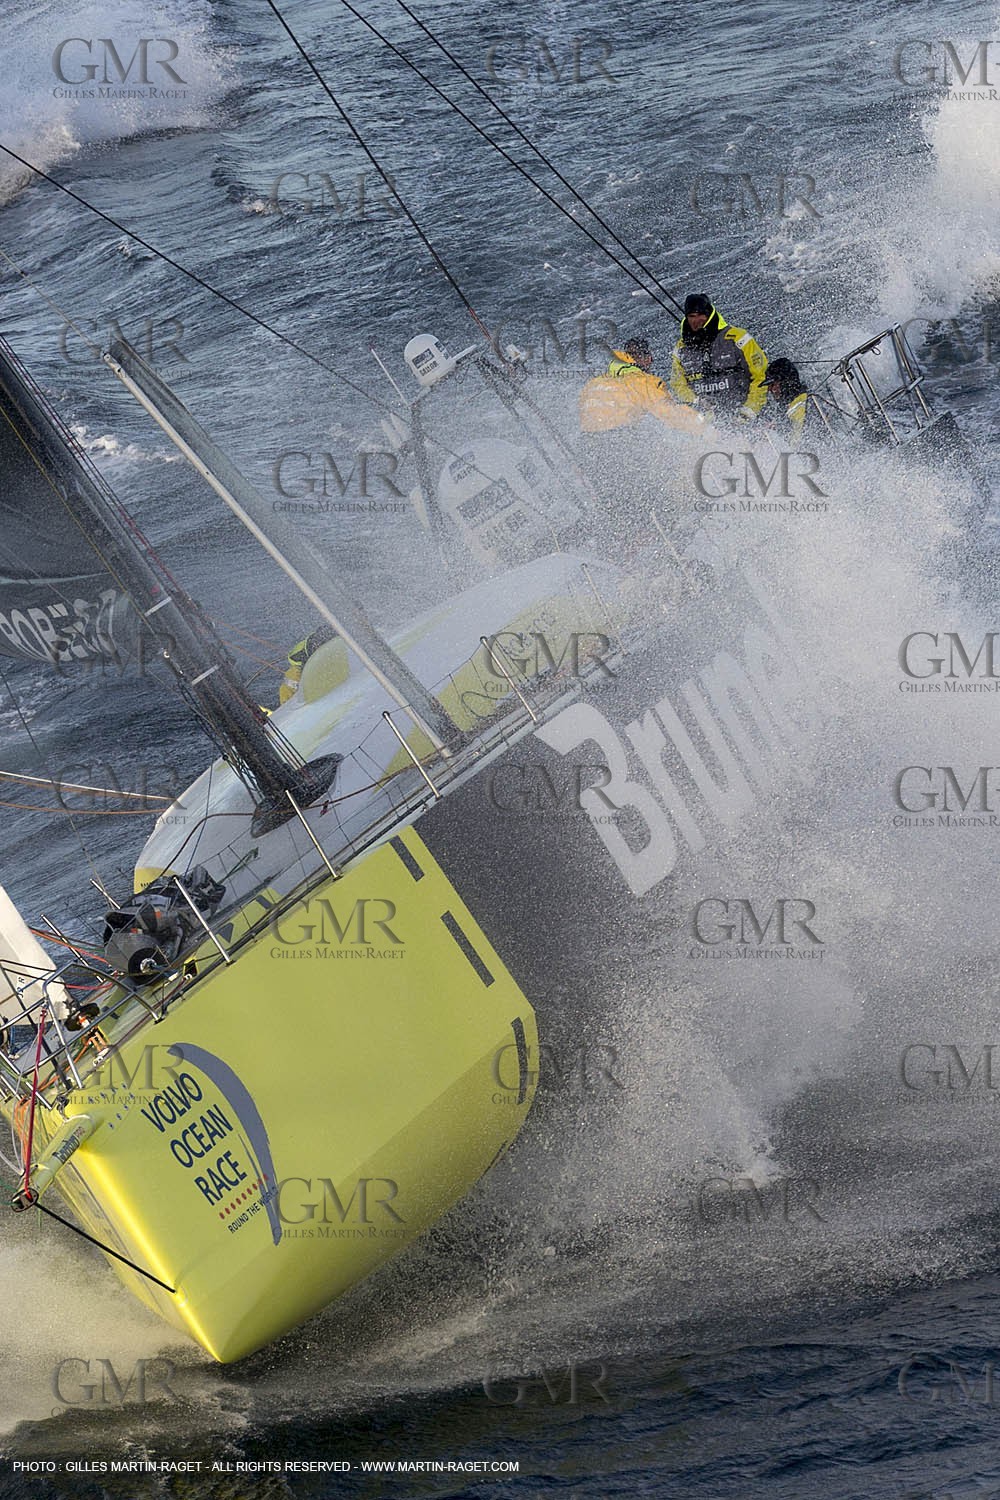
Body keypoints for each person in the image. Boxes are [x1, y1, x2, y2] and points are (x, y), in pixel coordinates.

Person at [670, 294, 768, 424]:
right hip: (707, 423)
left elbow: (761, 377)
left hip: (746, 416)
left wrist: (749, 411)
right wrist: (696, 402)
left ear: (709, 315)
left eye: (700, 315)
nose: (696, 320)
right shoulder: (681, 347)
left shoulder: (738, 338)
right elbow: (678, 384)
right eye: (691, 316)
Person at [579, 337, 706, 436]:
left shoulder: (595, 381)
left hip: (586, 441)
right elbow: (670, 413)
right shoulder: (643, 381)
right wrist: (703, 424)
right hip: (615, 439)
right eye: (649, 357)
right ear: (646, 358)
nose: (651, 361)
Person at [764, 357, 809, 441]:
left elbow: (797, 441)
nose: (769, 389)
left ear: (785, 383)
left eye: (773, 384)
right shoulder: (792, 403)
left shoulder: (800, 404)